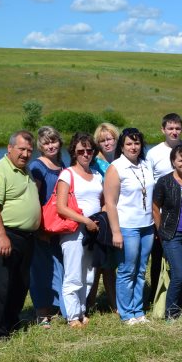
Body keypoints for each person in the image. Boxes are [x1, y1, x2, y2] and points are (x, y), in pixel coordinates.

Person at [0, 130, 41, 340]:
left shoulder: (26, 171)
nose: (25, 154)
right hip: (7, 234)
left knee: (20, 282)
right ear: (10, 148)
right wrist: (0, 236)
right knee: (2, 283)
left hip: (26, 237)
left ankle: (11, 321)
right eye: (21, 149)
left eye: (29, 150)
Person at [104, 128, 156, 325]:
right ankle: (126, 314)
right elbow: (110, 202)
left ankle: (138, 310)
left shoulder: (145, 164)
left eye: (136, 143)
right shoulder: (116, 168)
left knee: (141, 270)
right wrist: (116, 231)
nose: (133, 147)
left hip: (147, 225)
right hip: (127, 226)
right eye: (129, 143)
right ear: (122, 146)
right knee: (127, 270)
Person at [146, 113, 182, 307]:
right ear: (163, 130)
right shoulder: (153, 153)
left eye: (177, 128)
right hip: (164, 218)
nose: (174, 132)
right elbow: (150, 186)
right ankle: (156, 298)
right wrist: (158, 226)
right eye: (170, 128)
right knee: (158, 260)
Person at [56, 132, 103, 328]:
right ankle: (72, 316)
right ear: (74, 152)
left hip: (93, 229)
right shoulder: (67, 174)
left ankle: (82, 311)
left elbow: (101, 201)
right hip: (74, 229)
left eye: (89, 150)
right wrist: (85, 220)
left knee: (89, 273)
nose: (85, 154)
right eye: (81, 151)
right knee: (74, 273)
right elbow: (61, 206)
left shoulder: (97, 174)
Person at [152, 144, 182, 320]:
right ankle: (170, 313)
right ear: (173, 161)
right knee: (178, 273)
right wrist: (161, 231)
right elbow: (155, 208)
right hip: (172, 235)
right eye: (181, 160)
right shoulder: (164, 182)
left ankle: (181, 305)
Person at [28, 126, 67, 328]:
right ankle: (42, 313)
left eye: (53, 141)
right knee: (41, 271)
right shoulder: (37, 166)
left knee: (59, 268)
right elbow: (34, 199)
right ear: (40, 146)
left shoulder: (61, 164)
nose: (51, 145)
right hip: (43, 228)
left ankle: (58, 308)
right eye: (46, 143)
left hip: (59, 228)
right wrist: (38, 229)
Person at [88, 122, 119, 311]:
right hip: (101, 217)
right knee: (98, 264)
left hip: (121, 215)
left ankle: (114, 302)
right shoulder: (94, 163)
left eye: (110, 139)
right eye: (102, 140)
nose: (107, 143)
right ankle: (90, 302)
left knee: (112, 263)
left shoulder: (122, 159)